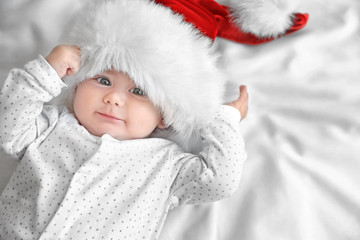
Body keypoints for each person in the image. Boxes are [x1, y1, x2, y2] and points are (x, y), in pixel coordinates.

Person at [0, 42, 247, 239]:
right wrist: (48, 70)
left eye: (138, 92)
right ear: (76, 87)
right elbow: (7, 126)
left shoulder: (166, 164)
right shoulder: (51, 124)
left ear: (164, 115)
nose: (114, 98)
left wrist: (223, 119)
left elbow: (220, 180)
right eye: (103, 81)